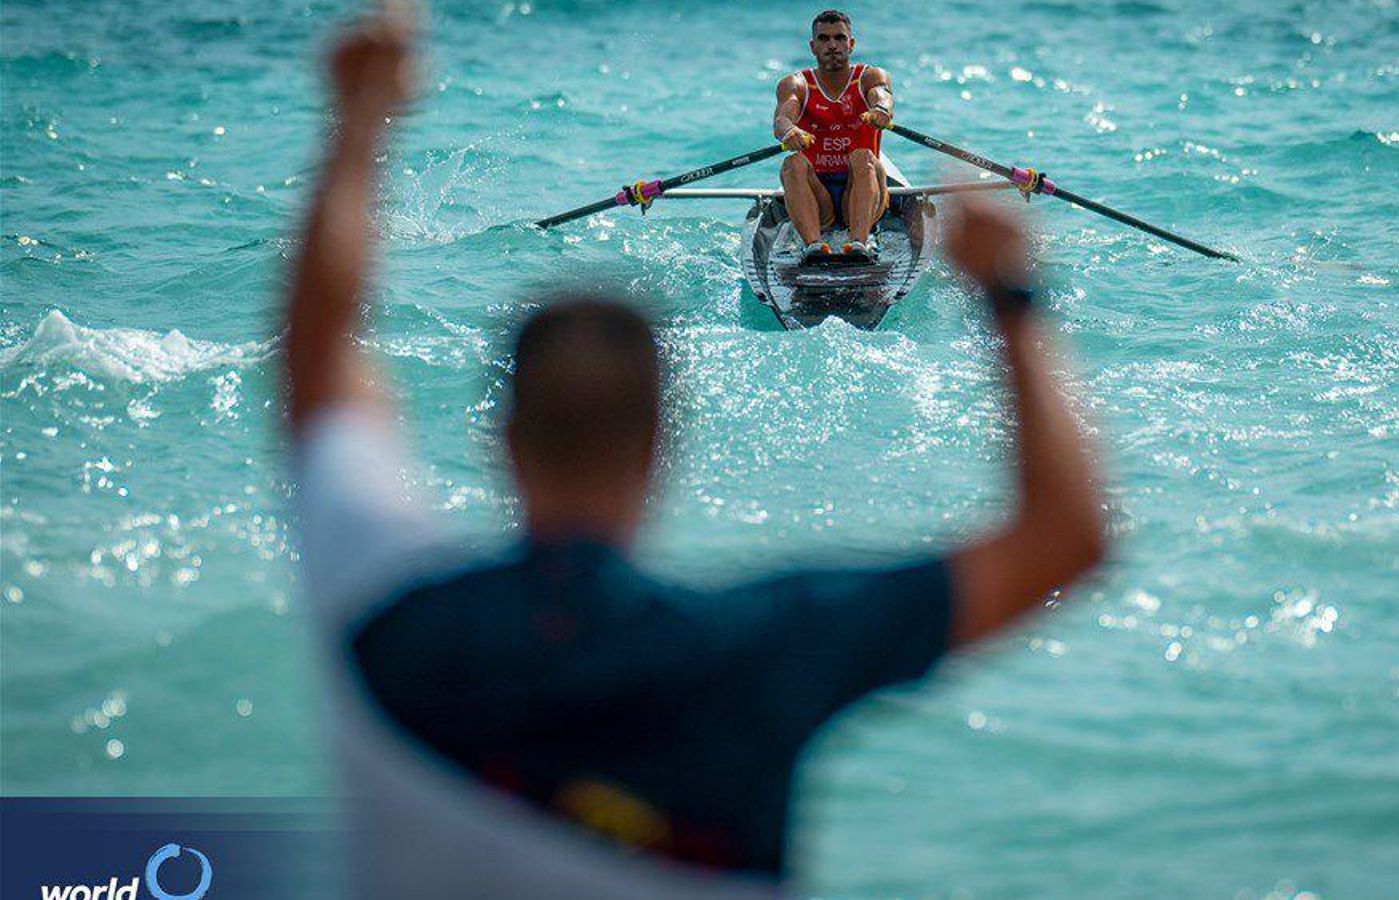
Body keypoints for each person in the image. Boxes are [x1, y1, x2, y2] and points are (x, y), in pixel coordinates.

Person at [284, 14, 1105, 897]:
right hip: (810, 185)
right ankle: (833, 239)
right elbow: (1067, 539)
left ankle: (853, 238)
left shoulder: (387, 616)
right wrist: (1012, 298)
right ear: (662, 443)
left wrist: (359, 127)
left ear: (503, 435)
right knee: (805, 170)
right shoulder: (760, 650)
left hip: (859, 182)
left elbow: (319, 361)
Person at [773, 10, 893, 261]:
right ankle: (813, 246)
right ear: (813, 46)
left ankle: (860, 244)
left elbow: (882, 96)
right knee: (792, 163)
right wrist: (789, 130)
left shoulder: (870, 77)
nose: (832, 45)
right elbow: (782, 120)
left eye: (839, 38)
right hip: (818, 198)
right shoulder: (795, 84)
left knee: (863, 157)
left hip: (861, 190)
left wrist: (881, 110)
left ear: (851, 44)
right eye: (824, 39)